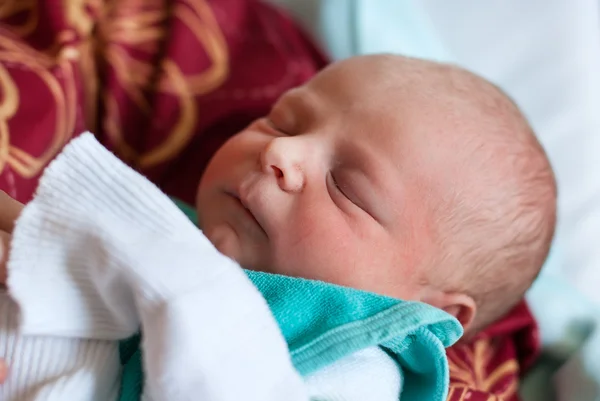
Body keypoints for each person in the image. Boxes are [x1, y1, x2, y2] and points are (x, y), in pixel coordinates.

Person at [0, 54, 556, 400]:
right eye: (281, 121)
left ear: (428, 312)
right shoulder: (178, 231)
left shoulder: (356, 366)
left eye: (347, 188)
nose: (281, 153)